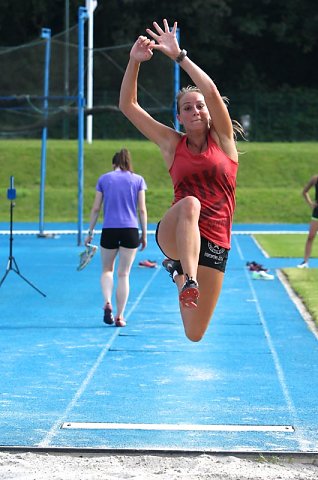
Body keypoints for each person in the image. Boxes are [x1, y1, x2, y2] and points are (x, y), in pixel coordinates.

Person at [119, 19, 244, 342]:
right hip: (176, 231)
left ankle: (178, 272)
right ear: (179, 117)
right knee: (191, 203)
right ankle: (186, 275)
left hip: (215, 239)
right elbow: (128, 107)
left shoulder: (225, 143)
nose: (196, 111)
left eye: (200, 106)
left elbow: (212, 91)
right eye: (188, 108)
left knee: (195, 333)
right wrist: (134, 61)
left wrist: (180, 56)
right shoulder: (172, 144)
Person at [85, 148, 148, 327]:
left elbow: (96, 208)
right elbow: (142, 209)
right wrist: (144, 233)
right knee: (124, 274)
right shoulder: (138, 180)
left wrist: (90, 232)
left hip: (110, 229)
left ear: (114, 164)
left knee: (107, 270)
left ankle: (107, 301)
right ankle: (120, 316)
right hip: (130, 229)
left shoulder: (104, 179)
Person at [297, 174, 318, 268]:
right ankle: (305, 262)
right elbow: (305, 192)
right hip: (317, 212)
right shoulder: (315, 178)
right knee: (311, 236)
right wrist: (311, 204)